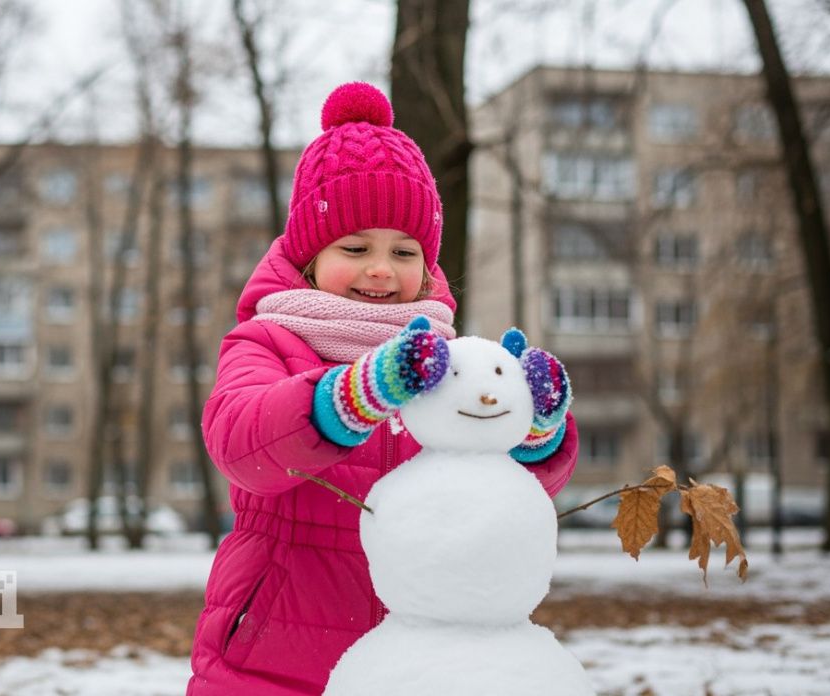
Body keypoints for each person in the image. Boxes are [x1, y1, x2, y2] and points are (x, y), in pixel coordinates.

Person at [186, 82, 579, 695]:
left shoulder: (446, 362)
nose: (381, 268)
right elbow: (241, 444)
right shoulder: (268, 341)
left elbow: (502, 494)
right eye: (355, 247)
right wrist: (355, 394)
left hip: (412, 661)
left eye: (404, 251)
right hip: (273, 660)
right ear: (310, 256)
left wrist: (533, 427)